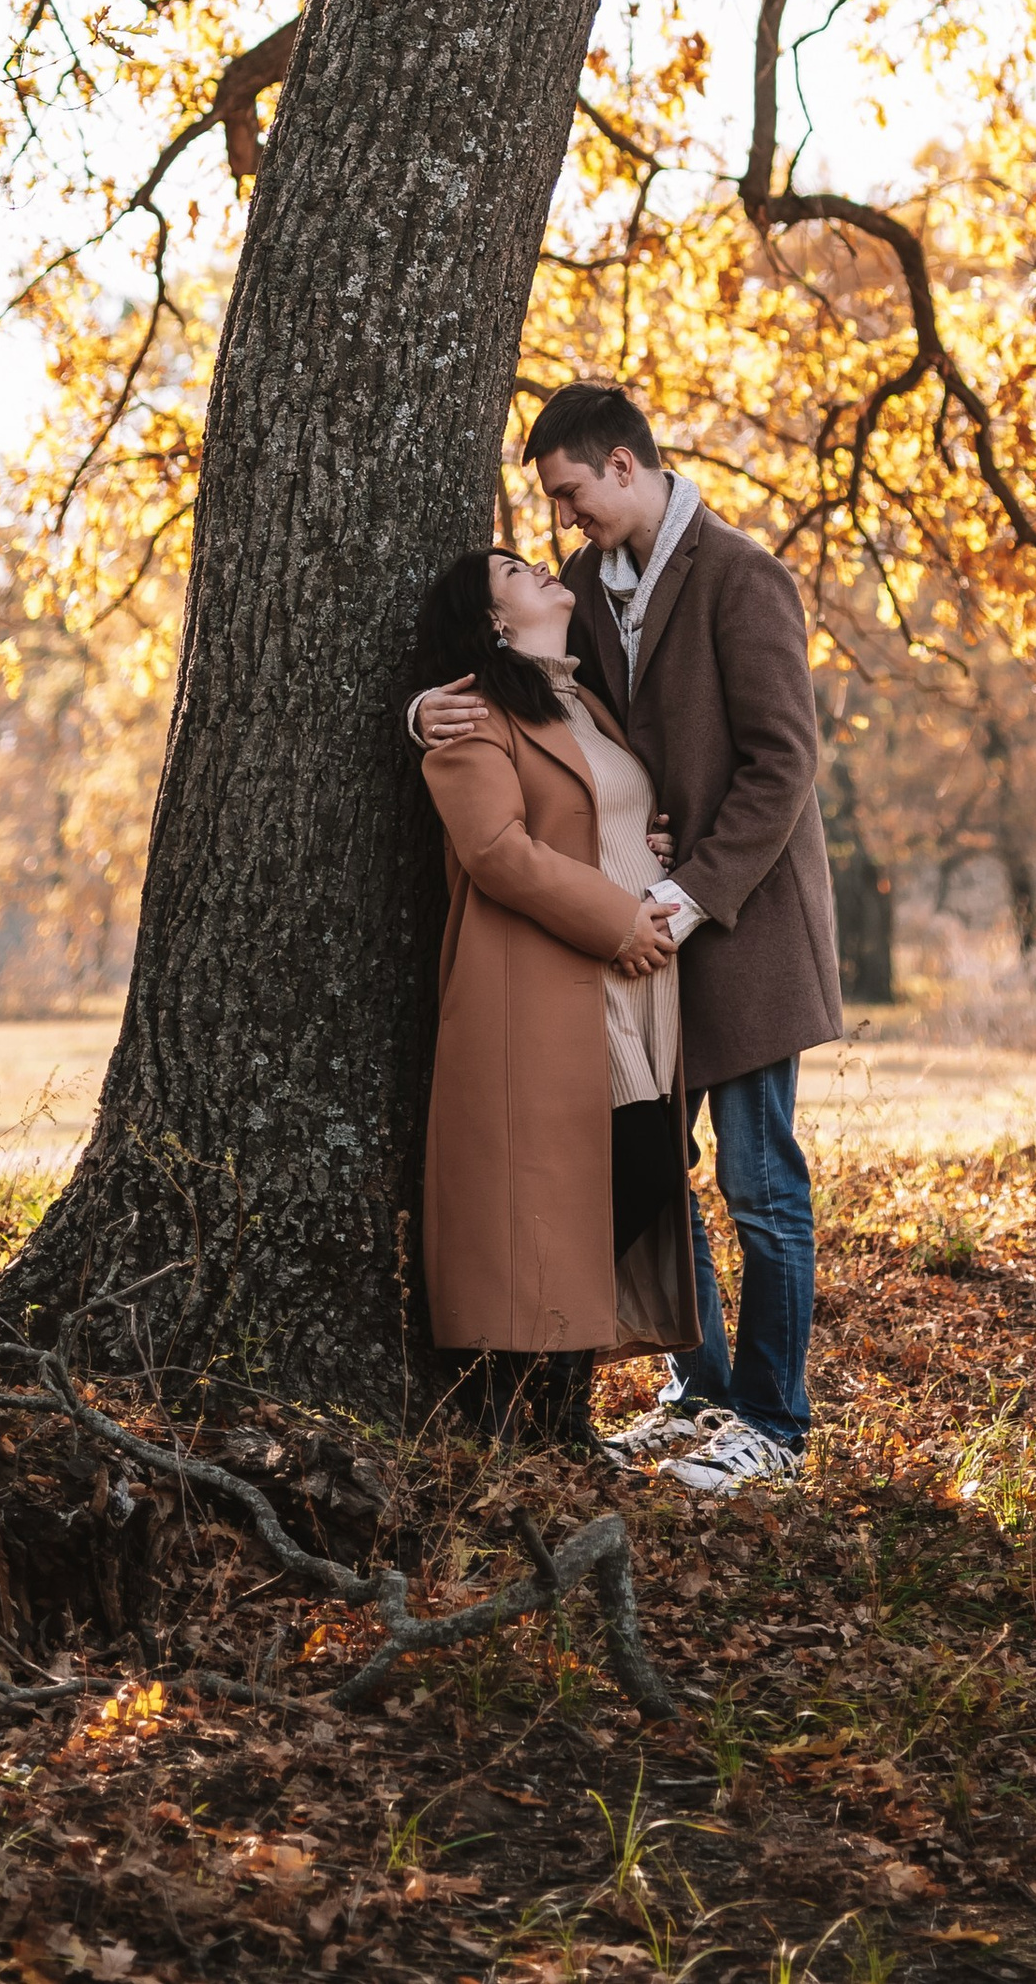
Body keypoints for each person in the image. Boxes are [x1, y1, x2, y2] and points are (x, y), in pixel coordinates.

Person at [417, 383, 841, 1498]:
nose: (564, 520)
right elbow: (541, 703)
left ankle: (774, 1422)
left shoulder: (743, 576)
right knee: (658, 1172)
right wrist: (422, 713)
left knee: (760, 1182)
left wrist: (689, 893)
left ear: (621, 463)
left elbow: (783, 765)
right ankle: (700, 1392)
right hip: (640, 944)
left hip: (739, 925)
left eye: (570, 493)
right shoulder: (589, 589)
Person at [407, 542, 699, 1442]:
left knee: (639, 1170)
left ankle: (561, 1412)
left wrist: (651, 843)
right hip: (551, 979)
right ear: (494, 620)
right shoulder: (471, 717)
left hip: (635, 979)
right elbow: (496, 849)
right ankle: (518, 1398)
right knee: (619, 1171)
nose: (539, 567)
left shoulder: (584, 700)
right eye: (512, 571)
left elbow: (603, 811)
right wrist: (618, 919)